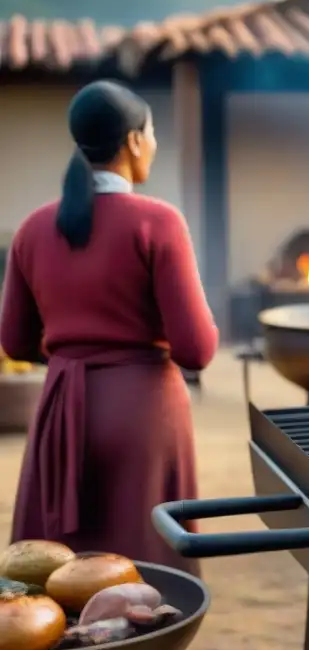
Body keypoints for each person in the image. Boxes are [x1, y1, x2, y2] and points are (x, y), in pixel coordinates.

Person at [0, 80, 218, 573]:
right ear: (135, 141)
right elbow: (196, 350)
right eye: (154, 134)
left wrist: (73, 351)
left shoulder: (33, 229)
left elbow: (13, 341)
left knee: (54, 579)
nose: (155, 146)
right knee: (146, 578)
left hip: (61, 412)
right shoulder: (158, 223)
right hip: (143, 415)